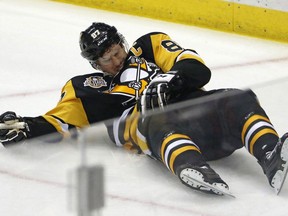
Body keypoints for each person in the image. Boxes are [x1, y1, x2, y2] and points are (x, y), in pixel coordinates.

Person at [0, 23, 287, 196]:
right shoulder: (89, 87)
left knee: (237, 98)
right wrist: (27, 126)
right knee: (153, 119)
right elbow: (61, 121)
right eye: (108, 58)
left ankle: (272, 157)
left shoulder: (148, 47)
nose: (117, 58)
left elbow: (194, 66)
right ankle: (192, 166)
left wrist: (172, 78)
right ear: (95, 65)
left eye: (117, 50)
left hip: (202, 119)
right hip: (155, 130)